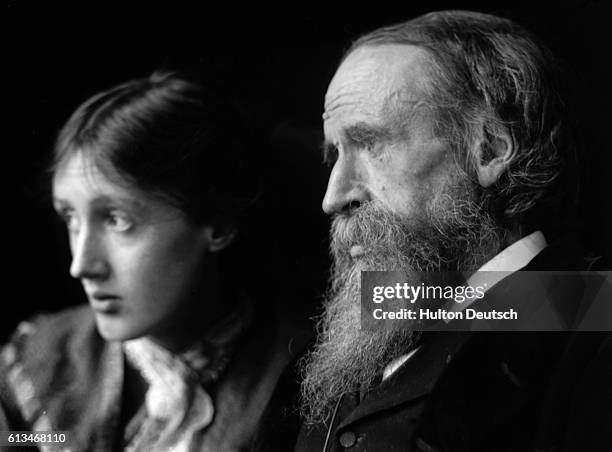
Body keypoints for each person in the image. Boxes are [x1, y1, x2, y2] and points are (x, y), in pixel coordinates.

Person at [295, 10, 611, 451]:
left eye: (371, 144)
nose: (334, 196)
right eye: (336, 154)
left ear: (489, 150)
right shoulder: (363, 332)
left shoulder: (592, 335)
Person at [0, 71, 300, 451]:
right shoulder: (35, 364)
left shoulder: (297, 386)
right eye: (70, 219)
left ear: (217, 224)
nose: (81, 264)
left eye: (117, 220)